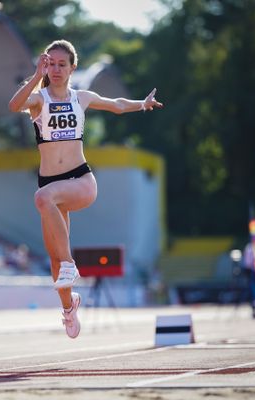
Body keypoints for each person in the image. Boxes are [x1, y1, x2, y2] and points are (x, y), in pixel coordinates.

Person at [8, 39, 163, 338]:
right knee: (53, 257)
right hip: (51, 187)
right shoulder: (39, 99)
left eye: (61, 64)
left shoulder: (81, 98)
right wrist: (35, 75)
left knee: (43, 200)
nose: (55, 69)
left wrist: (141, 104)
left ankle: (70, 264)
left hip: (80, 180)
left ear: (72, 68)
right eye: (50, 63)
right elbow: (14, 105)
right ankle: (69, 308)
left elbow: (115, 104)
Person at [242, 242, 255, 319]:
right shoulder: (250, 248)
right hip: (252, 272)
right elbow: (247, 263)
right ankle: (254, 305)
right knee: (253, 290)